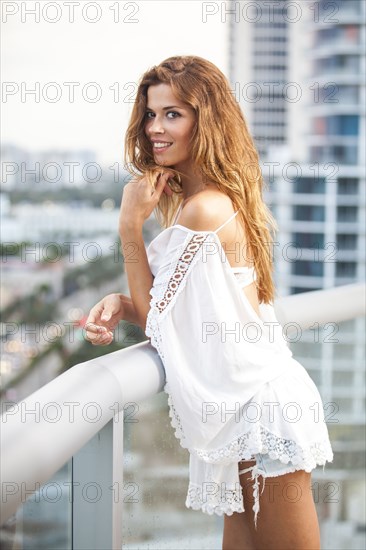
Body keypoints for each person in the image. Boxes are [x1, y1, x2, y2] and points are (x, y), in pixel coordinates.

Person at [84, 56, 333, 549]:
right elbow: (179, 315)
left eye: (173, 113)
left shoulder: (205, 210)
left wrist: (129, 227)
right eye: (151, 114)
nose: (155, 127)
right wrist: (120, 301)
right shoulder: (212, 200)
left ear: (207, 119)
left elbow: (157, 320)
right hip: (245, 416)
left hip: (262, 414)